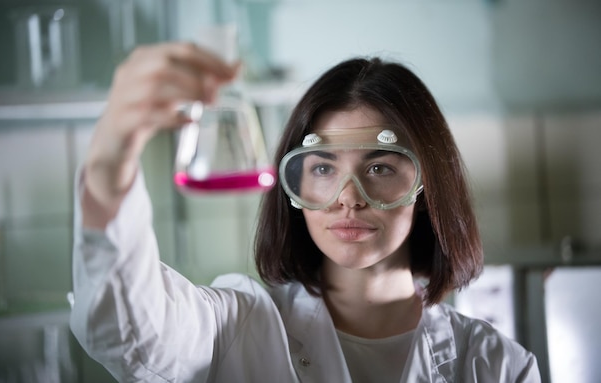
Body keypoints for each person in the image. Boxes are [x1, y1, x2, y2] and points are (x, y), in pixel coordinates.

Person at [70, 42, 541, 382]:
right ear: (291, 185)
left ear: (426, 183)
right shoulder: (239, 329)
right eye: (322, 168)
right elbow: (127, 328)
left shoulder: (498, 367)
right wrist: (112, 160)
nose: (347, 198)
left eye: (379, 166)